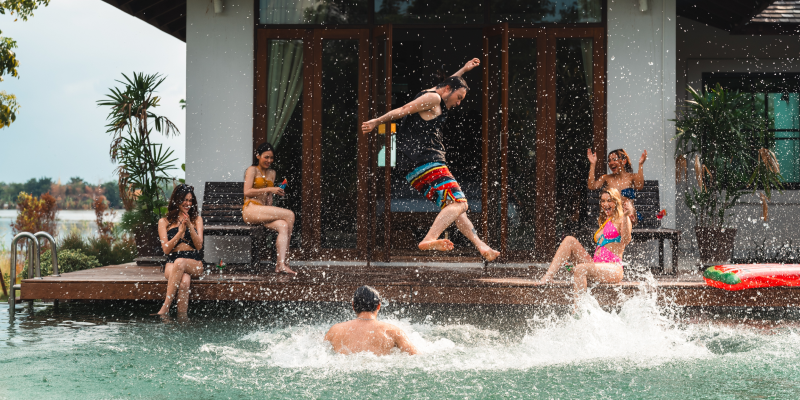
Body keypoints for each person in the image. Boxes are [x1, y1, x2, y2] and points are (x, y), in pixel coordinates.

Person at [361, 58, 500, 262]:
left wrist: (464, 69)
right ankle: (430, 238)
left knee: (452, 209)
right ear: (448, 90)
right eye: (459, 97)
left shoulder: (433, 92)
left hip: (413, 169)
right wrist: (377, 121)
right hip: (428, 161)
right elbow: (402, 110)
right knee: (460, 203)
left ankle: (481, 246)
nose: (459, 102)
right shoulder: (434, 99)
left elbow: (449, 82)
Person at [535, 188, 632, 306]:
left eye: (609, 201)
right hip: (597, 265)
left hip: (613, 268)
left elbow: (626, 240)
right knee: (569, 240)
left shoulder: (622, 219)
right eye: (602, 201)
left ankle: (578, 311)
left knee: (581, 268)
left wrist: (626, 216)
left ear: (616, 202)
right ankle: (548, 276)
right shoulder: (605, 220)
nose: (605, 204)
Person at [242, 142, 297, 275]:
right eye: (266, 157)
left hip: (263, 211)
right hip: (250, 209)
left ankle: (280, 264)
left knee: (283, 225)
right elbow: (247, 192)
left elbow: (268, 199)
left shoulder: (272, 173)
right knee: (290, 215)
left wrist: (274, 193)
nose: (269, 160)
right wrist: (270, 188)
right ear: (258, 156)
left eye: (271, 158)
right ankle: (286, 261)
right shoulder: (252, 170)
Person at [324, 286, 419, 356]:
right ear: (378, 305)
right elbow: (416, 357)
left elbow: (320, 353)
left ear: (353, 306)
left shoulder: (335, 330)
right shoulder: (393, 331)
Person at [156, 184, 204, 316]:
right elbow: (166, 249)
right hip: (172, 262)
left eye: (190, 200)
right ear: (177, 200)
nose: (188, 203)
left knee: (180, 262)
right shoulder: (164, 222)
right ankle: (182, 321)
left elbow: (199, 246)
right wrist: (179, 233)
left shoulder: (196, 219)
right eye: (185, 200)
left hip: (194, 262)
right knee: (184, 282)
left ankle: (165, 308)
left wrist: (189, 226)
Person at [587, 148, 647, 224]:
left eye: (614, 159)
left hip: (629, 216)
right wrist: (592, 164)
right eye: (609, 160)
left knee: (628, 204)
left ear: (624, 161)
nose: (611, 163)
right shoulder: (606, 178)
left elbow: (639, 186)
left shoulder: (632, 177)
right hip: (612, 216)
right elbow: (592, 186)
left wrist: (640, 165)